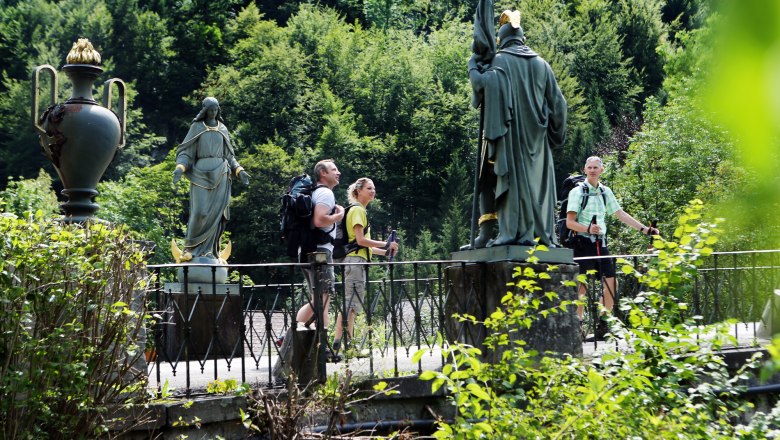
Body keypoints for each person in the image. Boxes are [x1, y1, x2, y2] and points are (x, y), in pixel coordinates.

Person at [466, 8, 567, 248]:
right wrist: (555, 135)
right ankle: (540, 235)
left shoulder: (499, 61)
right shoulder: (542, 64)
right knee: (537, 189)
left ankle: (500, 234)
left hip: (508, 139)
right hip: (538, 143)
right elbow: (559, 105)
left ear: (501, 39)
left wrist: (472, 65)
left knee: (490, 180)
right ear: (522, 38)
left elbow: (481, 85)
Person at [565, 156, 659, 340]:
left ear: (602, 170)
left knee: (611, 282)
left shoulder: (605, 192)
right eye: (589, 167)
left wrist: (645, 230)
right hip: (582, 243)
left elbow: (620, 214)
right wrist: (588, 229)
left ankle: (603, 325)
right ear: (585, 170)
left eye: (595, 167)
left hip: (600, 244)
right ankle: (577, 327)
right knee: (581, 286)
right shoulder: (577, 192)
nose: (592, 170)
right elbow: (570, 223)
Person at [173, 97, 249, 263]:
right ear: (205, 110)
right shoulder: (197, 127)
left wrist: (239, 170)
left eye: (216, 110)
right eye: (210, 110)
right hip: (200, 174)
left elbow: (229, 155)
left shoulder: (223, 128)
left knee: (216, 216)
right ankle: (190, 250)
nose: (213, 113)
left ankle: (211, 253)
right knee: (200, 212)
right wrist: (180, 168)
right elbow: (186, 152)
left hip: (221, 174)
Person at [331, 178, 399, 354]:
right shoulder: (358, 210)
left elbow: (360, 245)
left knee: (351, 305)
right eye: (369, 188)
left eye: (373, 188)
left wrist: (384, 252)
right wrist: (386, 244)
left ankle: (344, 344)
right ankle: (341, 344)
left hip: (354, 260)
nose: (373, 191)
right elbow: (361, 240)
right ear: (358, 191)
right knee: (351, 304)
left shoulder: (356, 210)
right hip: (356, 263)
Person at [295, 160, 345, 338]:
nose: (338, 172)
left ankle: (293, 335)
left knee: (317, 298)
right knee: (324, 297)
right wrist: (339, 215)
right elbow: (319, 220)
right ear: (323, 173)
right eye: (334, 169)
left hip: (308, 250)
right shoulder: (325, 193)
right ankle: (321, 344)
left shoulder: (316, 192)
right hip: (320, 253)